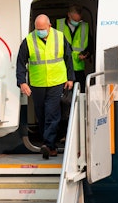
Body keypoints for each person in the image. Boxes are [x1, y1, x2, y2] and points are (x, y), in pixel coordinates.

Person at [16, 14, 75, 159]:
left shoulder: (60, 37)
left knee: (52, 113)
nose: (39, 31)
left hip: (57, 81)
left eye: (42, 28)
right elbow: (21, 62)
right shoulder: (29, 40)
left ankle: (48, 145)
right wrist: (22, 82)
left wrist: (70, 78)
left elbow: (68, 58)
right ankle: (51, 147)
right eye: (37, 29)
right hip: (37, 84)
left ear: (49, 26)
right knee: (41, 115)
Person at [56, 4, 92, 93]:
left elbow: (91, 46)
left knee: (81, 93)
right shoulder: (58, 25)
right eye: (75, 20)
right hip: (63, 68)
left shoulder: (84, 26)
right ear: (69, 15)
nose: (77, 22)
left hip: (78, 68)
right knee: (64, 96)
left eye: (79, 20)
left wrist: (86, 54)